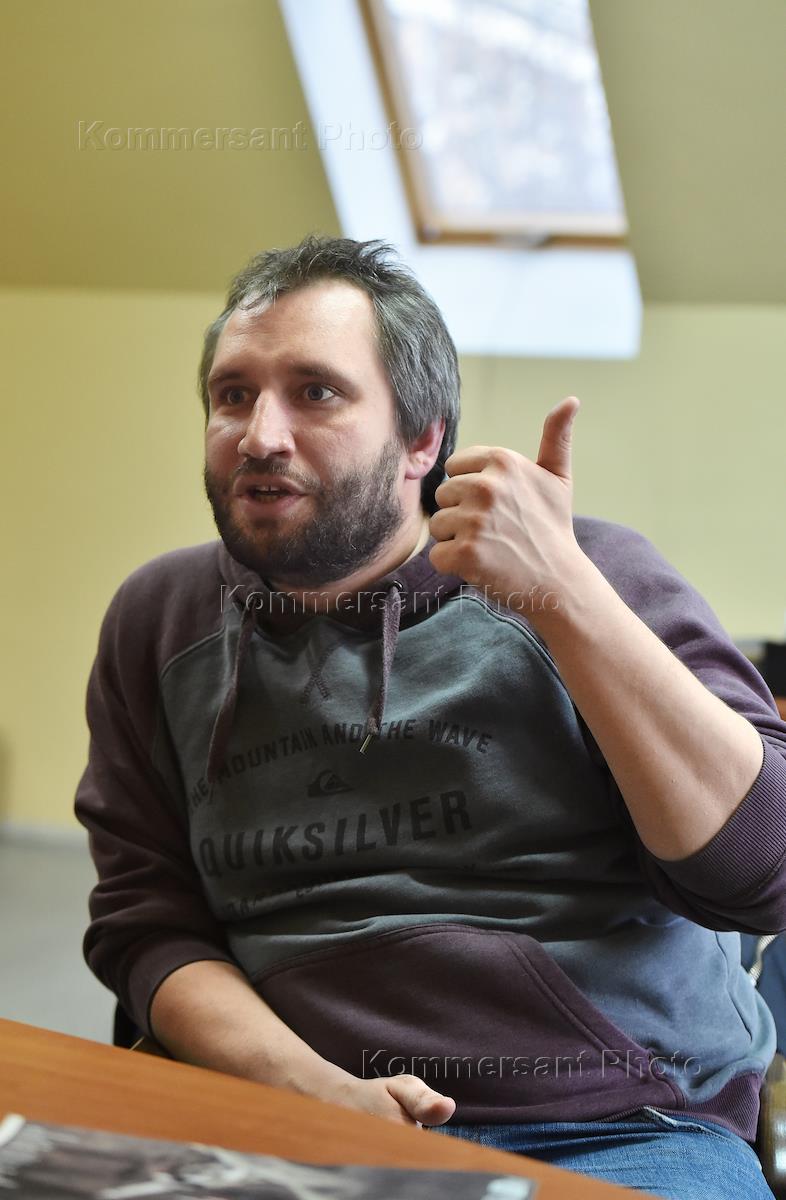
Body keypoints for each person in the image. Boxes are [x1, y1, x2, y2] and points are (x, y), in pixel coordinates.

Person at [76, 235, 786, 1199]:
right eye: (233, 395)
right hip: (282, 1106)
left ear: (422, 441)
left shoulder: (596, 575)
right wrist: (311, 1090)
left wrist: (565, 598)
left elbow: (763, 874)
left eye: (315, 393)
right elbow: (147, 922)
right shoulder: (160, 620)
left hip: (612, 1125)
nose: (259, 436)